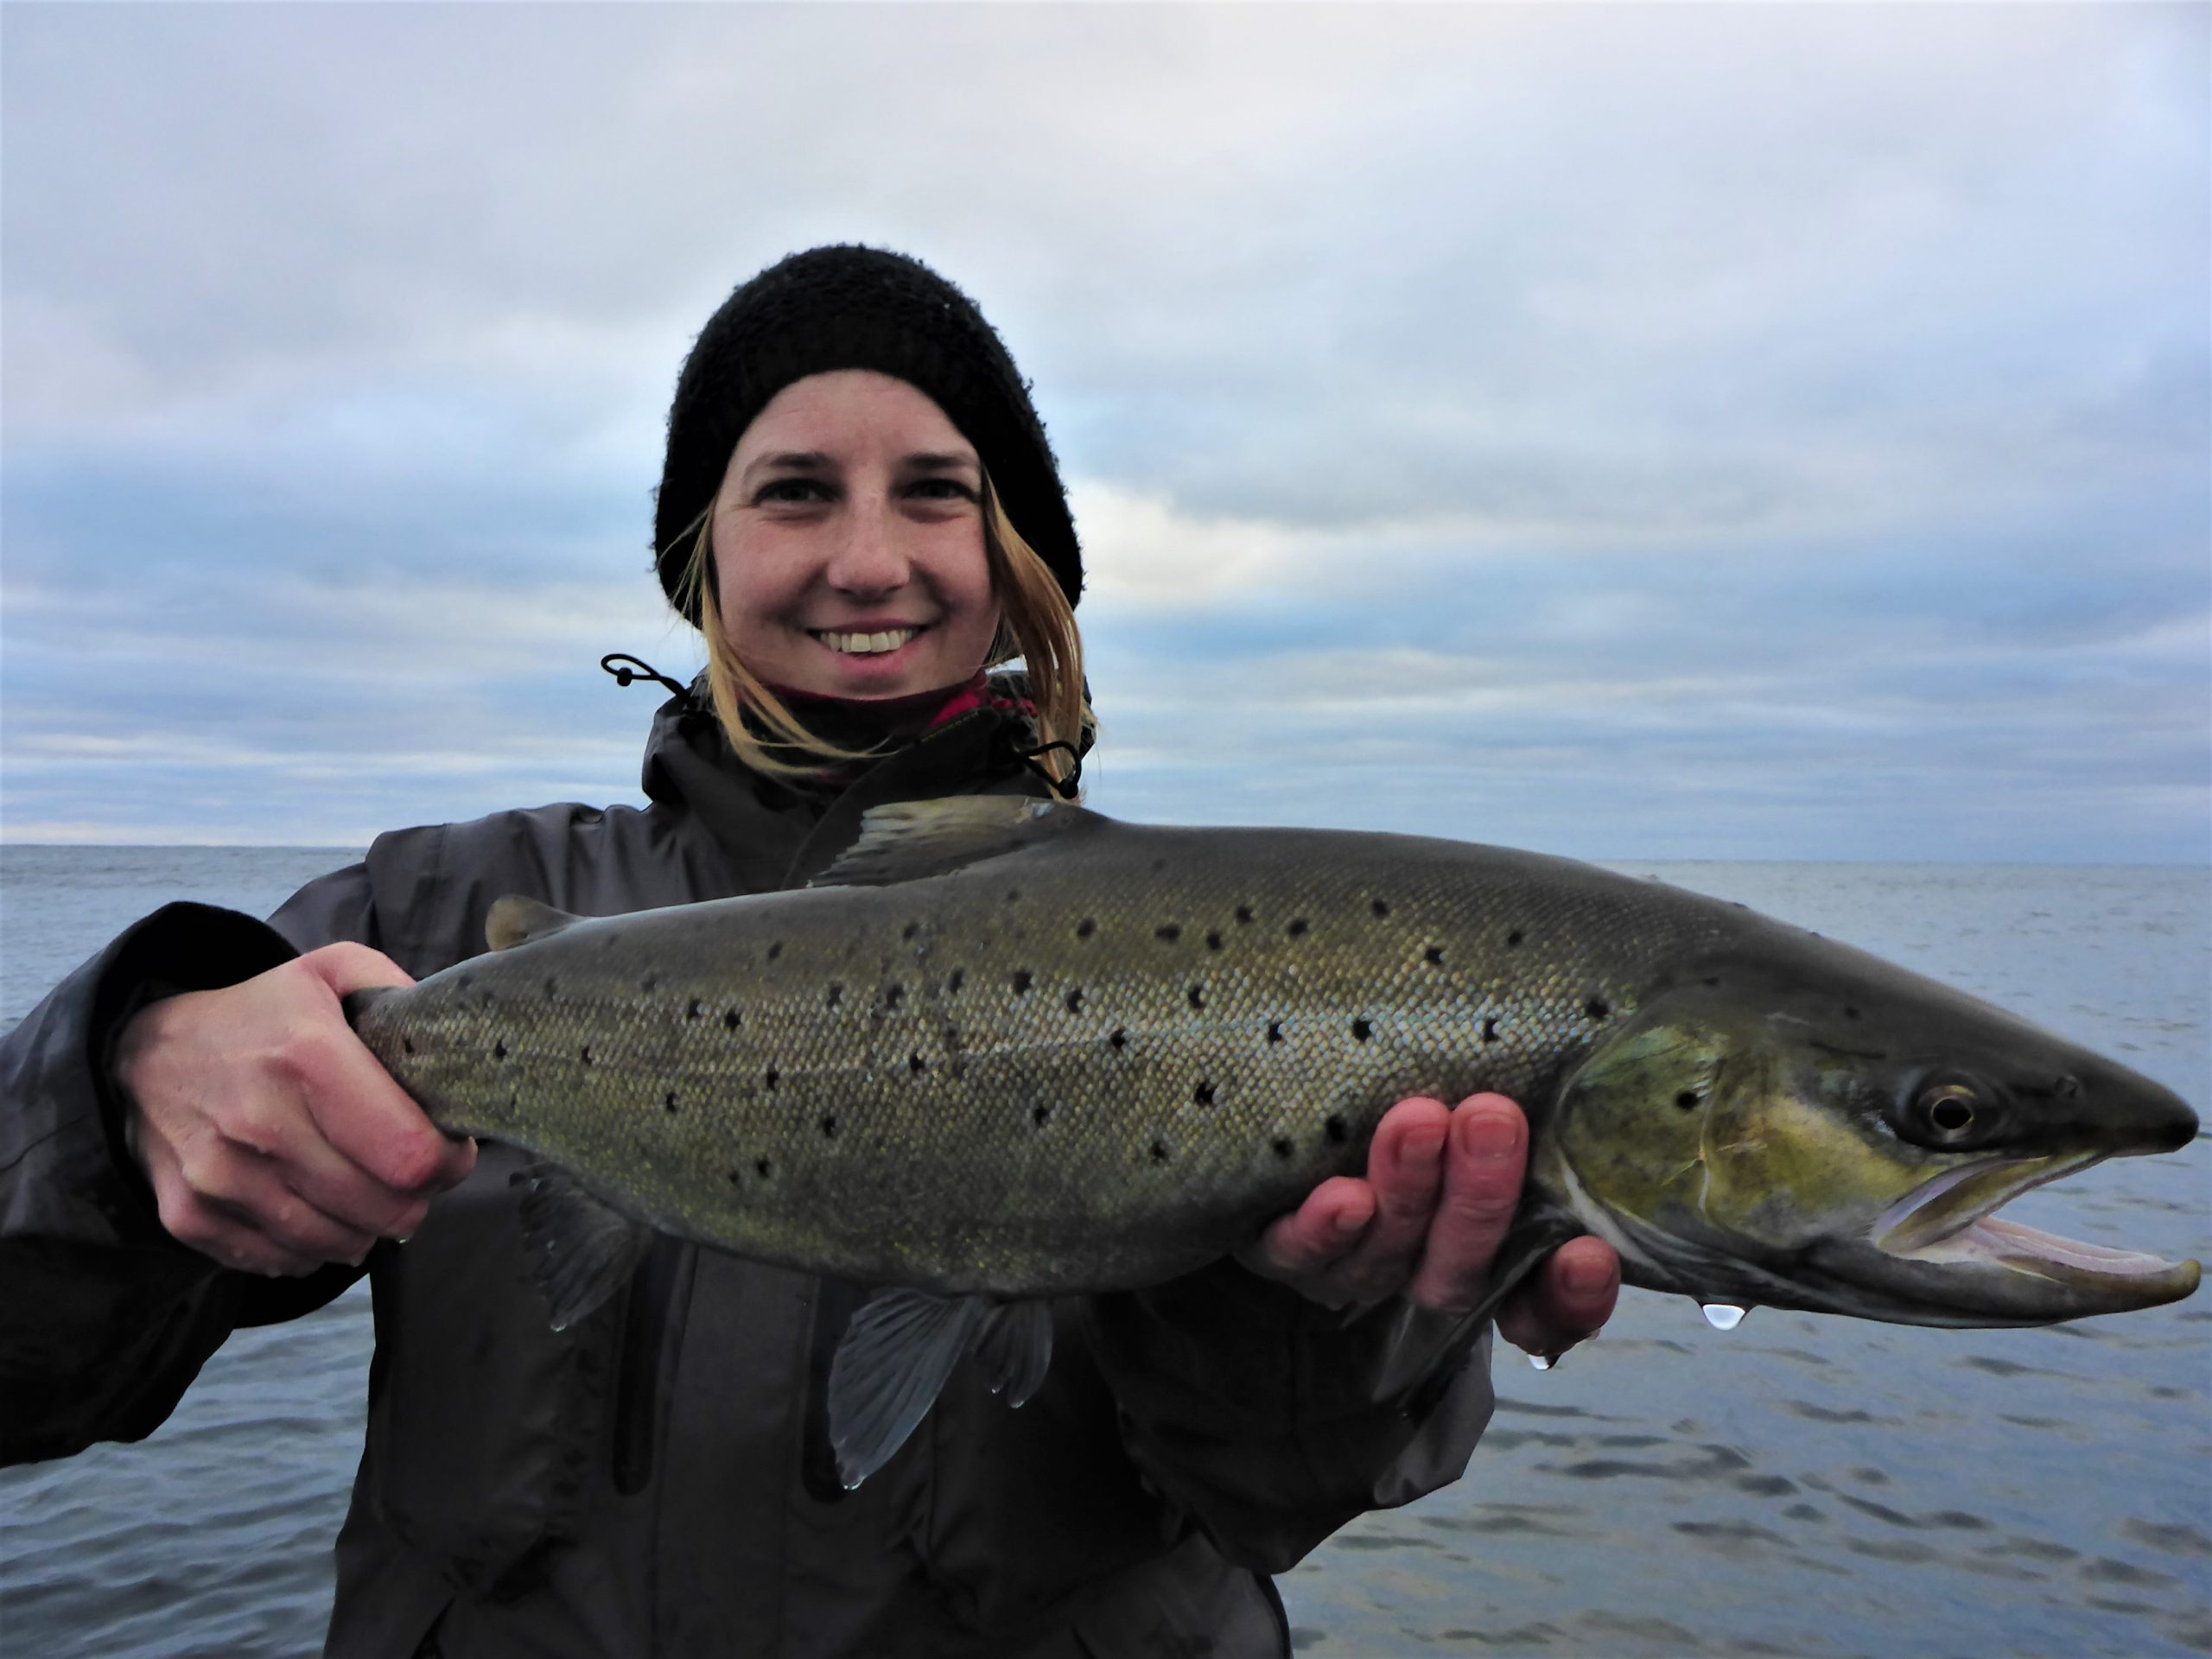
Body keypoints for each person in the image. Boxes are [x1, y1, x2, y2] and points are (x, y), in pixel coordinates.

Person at [0, 245, 1620, 1657]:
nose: (869, 559)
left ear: (1019, 562)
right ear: (701, 553)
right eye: (795, 492)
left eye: (937, 493)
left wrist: (1313, 1311)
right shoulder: (425, 921)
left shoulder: (1258, 982)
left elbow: (1281, 1499)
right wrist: (126, 1068)